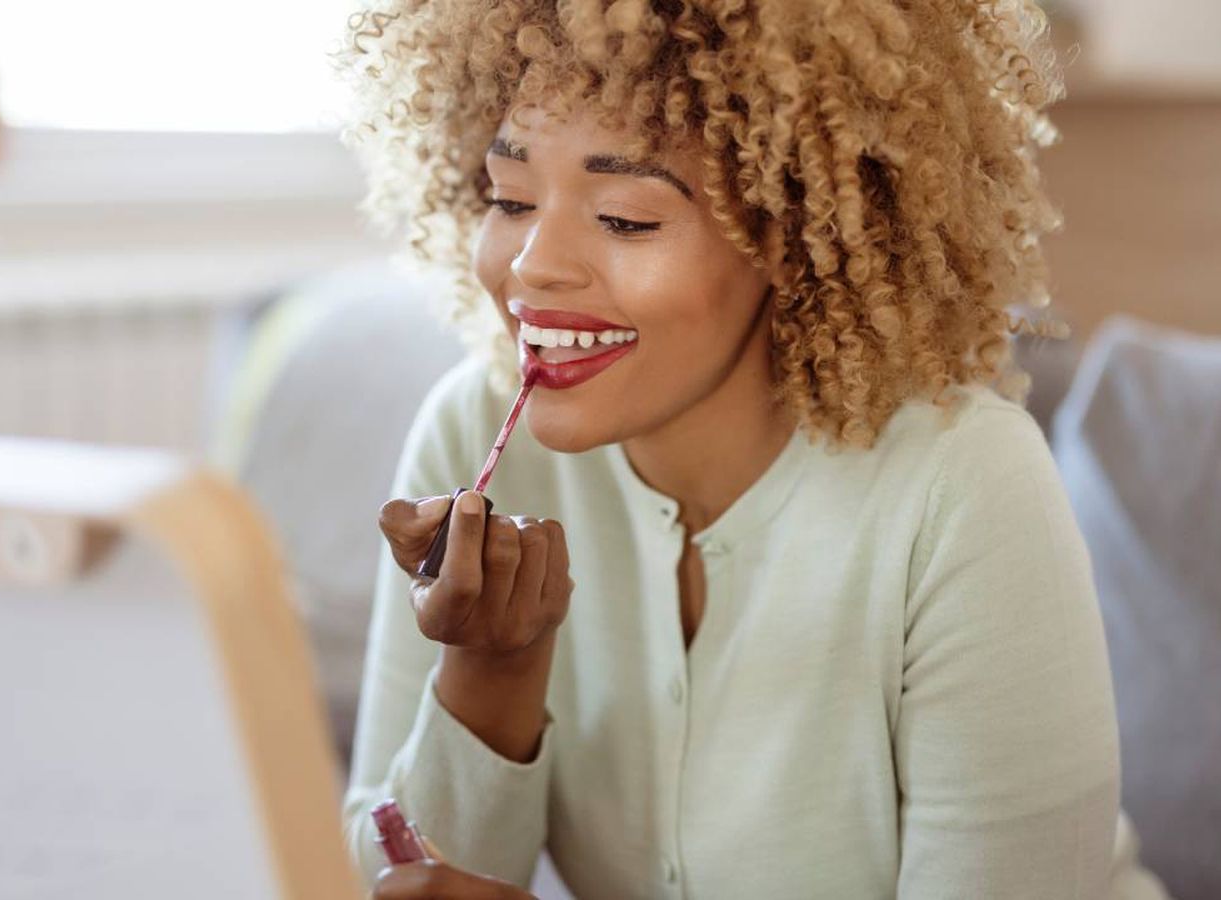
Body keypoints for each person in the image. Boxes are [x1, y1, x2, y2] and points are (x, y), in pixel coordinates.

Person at [333, 1, 1171, 897]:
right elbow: (397, 872)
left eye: (624, 217)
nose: (534, 265)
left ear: (794, 231)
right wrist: (489, 669)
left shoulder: (963, 487)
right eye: (510, 198)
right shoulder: (471, 434)